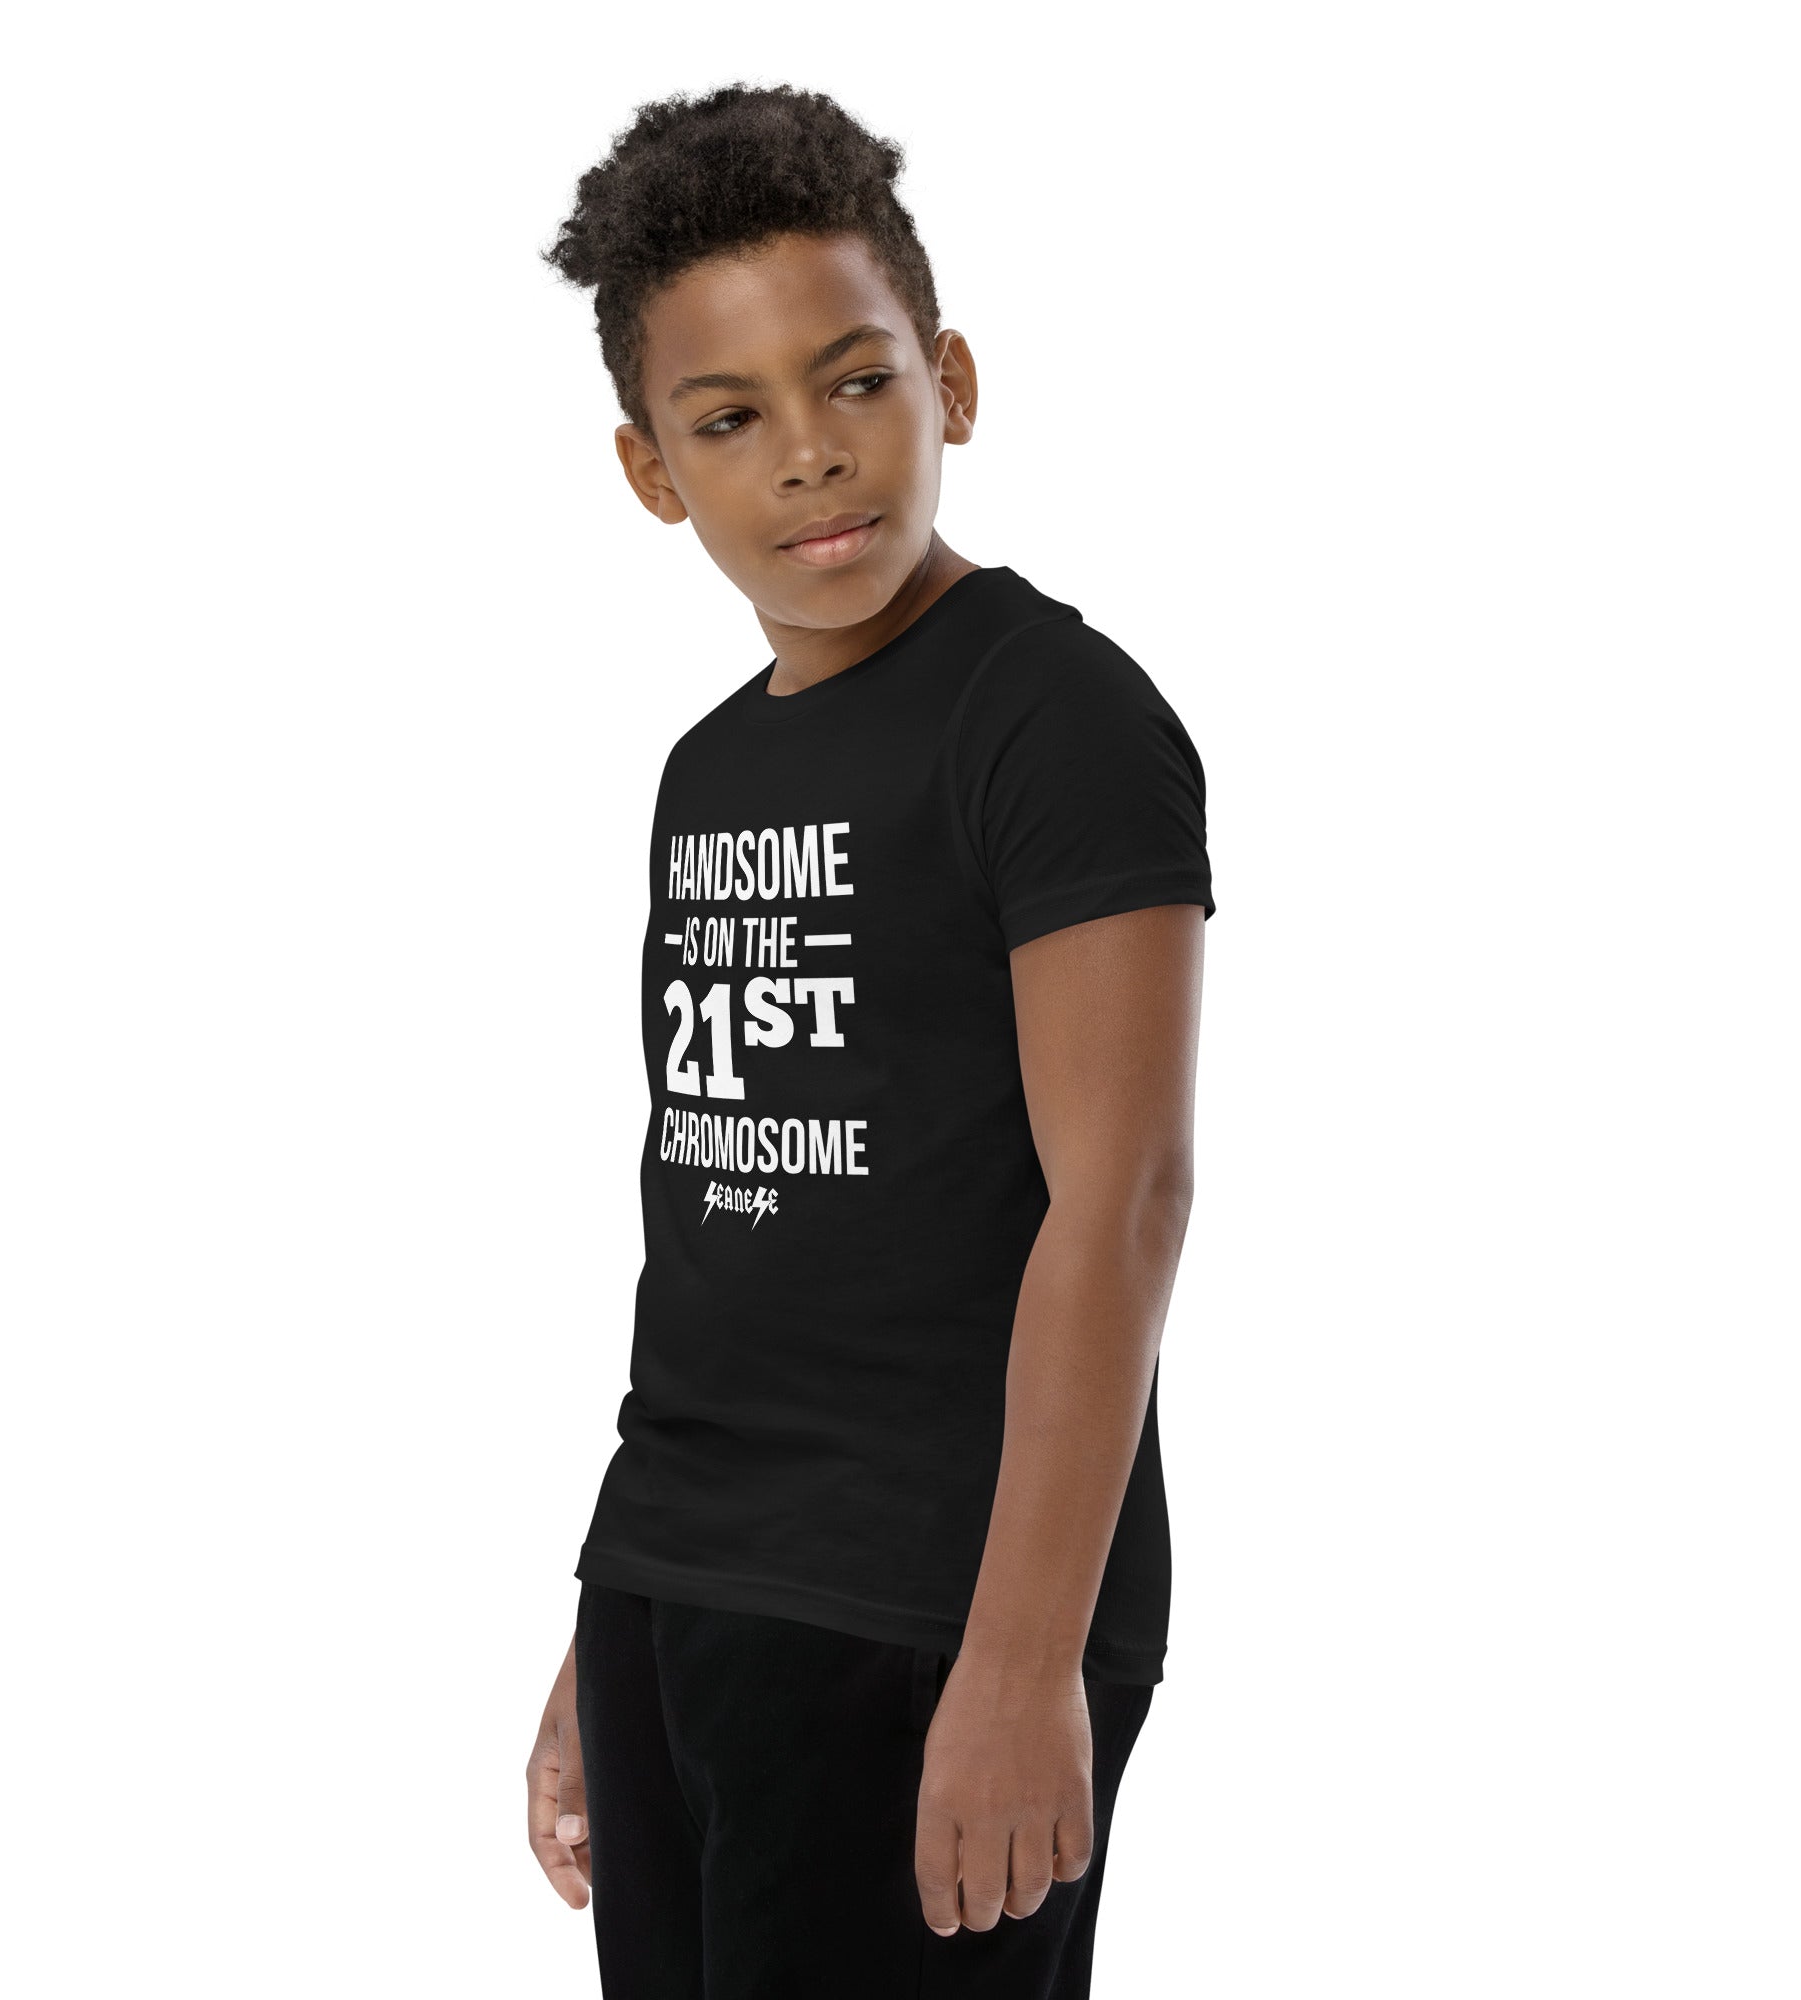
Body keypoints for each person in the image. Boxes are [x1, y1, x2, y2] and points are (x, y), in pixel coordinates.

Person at [527, 82, 1213, 1999]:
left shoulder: (1049, 715)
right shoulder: (709, 771)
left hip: (932, 1609)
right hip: (687, 1580)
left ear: (950, 382)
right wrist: (611, 1621)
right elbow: (722, 1230)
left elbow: (1124, 1200)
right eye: (729, 418)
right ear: (652, 470)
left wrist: (1024, 1664)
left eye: (855, 382)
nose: (812, 455)